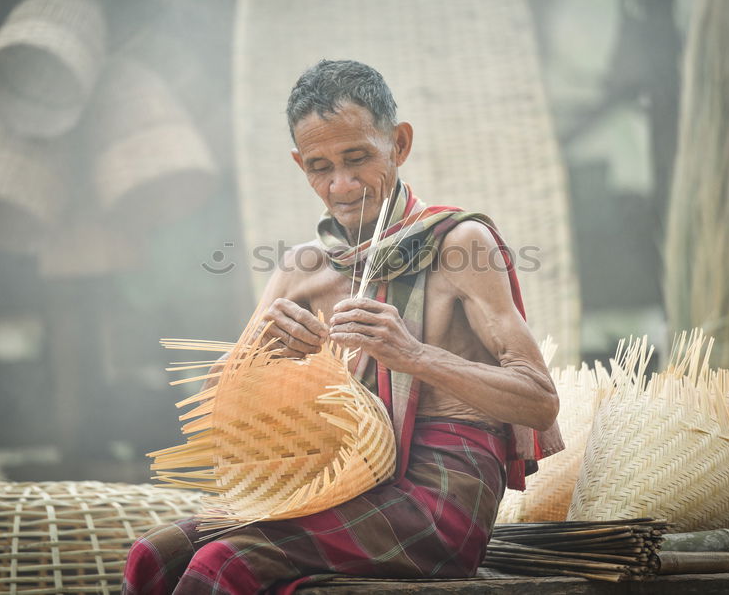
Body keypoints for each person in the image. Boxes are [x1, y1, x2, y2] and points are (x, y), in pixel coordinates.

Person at [122, 60, 562, 594]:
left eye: (359, 159)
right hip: (335, 482)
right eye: (319, 166)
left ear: (399, 144)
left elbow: (539, 400)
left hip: (442, 492)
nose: (342, 185)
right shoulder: (301, 267)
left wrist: (415, 356)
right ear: (298, 163)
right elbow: (218, 409)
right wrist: (258, 356)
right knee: (153, 555)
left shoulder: (460, 243)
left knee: (223, 563)